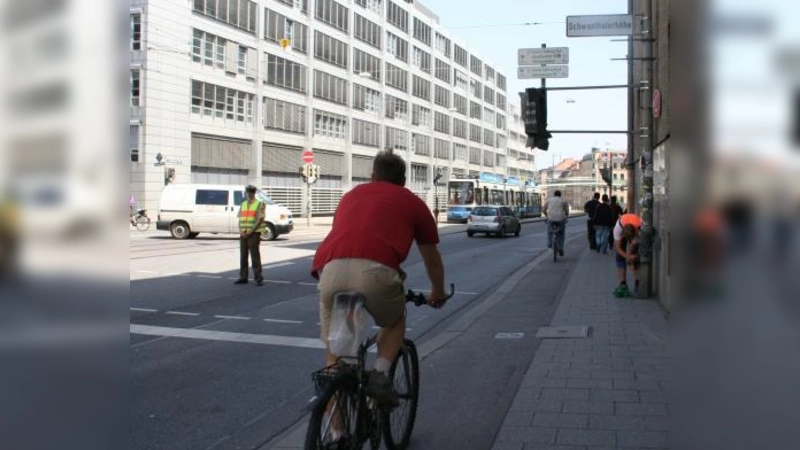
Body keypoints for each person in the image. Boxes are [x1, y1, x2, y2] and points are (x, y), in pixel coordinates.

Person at [312, 149, 448, 405]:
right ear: (403, 180)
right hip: (376, 274)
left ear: (373, 176)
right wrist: (438, 292)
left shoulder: (350, 196)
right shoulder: (413, 203)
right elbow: (432, 258)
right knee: (395, 321)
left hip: (331, 270)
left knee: (335, 354)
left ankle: (336, 436)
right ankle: (380, 375)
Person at [235, 185, 266, 286]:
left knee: (254, 256)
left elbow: (259, 219)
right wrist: (241, 231)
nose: (248, 195)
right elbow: (240, 219)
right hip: (243, 233)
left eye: (250, 193)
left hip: (254, 234)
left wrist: (250, 231)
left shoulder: (260, 204)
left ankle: (258, 278)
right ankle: (243, 277)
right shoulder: (243, 204)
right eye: (247, 193)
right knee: (243, 256)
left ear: (253, 193)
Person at [613, 212, 642, 297]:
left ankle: (638, 280)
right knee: (619, 257)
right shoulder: (618, 228)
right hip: (624, 229)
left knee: (634, 260)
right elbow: (617, 248)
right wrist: (628, 256)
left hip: (636, 233)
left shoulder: (639, 225)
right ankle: (623, 283)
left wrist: (633, 246)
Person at [543, 190, 569, 256]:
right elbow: (567, 210)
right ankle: (560, 248)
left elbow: (543, 209)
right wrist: (566, 215)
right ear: (560, 195)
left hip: (551, 219)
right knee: (561, 234)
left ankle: (549, 243)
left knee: (549, 231)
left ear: (554, 195)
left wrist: (546, 215)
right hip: (560, 220)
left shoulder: (549, 200)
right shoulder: (563, 201)